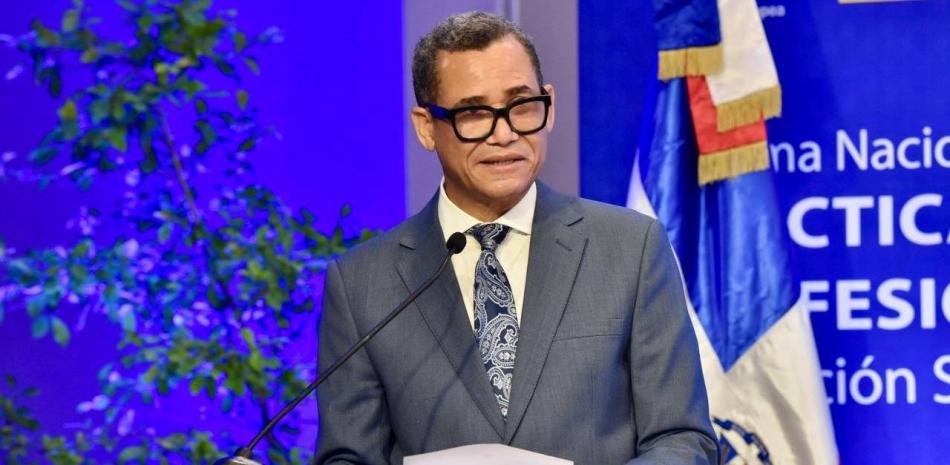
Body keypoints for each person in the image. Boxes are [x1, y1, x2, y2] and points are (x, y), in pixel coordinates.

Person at [315, 11, 717, 465]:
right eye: (473, 113)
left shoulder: (630, 248)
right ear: (426, 126)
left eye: (521, 106)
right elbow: (347, 457)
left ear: (549, 106)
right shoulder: (362, 284)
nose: (504, 134)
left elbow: (682, 441)